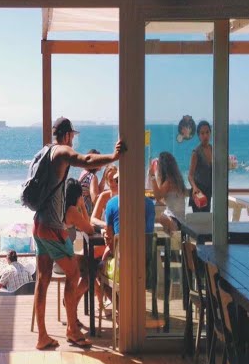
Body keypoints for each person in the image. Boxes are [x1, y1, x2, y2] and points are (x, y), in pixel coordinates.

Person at [30, 117, 124, 350]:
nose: (73, 141)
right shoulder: (61, 152)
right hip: (52, 227)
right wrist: (114, 156)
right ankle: (72, 330)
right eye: (72, 137)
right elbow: (86, 160)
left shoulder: (43, 153)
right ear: (67, 135)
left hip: (38, 224)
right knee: (74, 274)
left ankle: (42, 336)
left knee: (43, 279)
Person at [96, 164, 157, 315]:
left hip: (120, 268)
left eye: (117, 181)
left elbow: (110, 240)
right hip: (144, 267)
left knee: (98, 269)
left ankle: (121, 310)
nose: (116, 183)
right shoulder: (149, 205)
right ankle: (131, 309)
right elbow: (149, 235)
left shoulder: (112, 204)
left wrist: (111, 246)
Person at [149, 151, 187, 234]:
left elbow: (158, 196)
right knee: (161, 216)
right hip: (181, 220)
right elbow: (171, 200)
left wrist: (153, 176)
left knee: (159, 217)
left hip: (174, 220)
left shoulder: (169, 181)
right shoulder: (177, 180)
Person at [188, 120, 213, 213]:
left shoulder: (213, 149)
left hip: (208, 192)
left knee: (207, 219)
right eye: (202, 133)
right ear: (198, 135)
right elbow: (190, 175)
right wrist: (194, 187)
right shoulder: (196, 152)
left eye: (207, 132)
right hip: (198, 193)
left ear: (210, 133)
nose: (205, 135)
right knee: (199, 220)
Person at [77, 149, 103, 214]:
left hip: (80, 211)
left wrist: (104, 177)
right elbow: (95, 199)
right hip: (87, 214)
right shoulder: (92, 177)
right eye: (100, 160)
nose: (102, 162)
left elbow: (97, 190)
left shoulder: (84, 173)